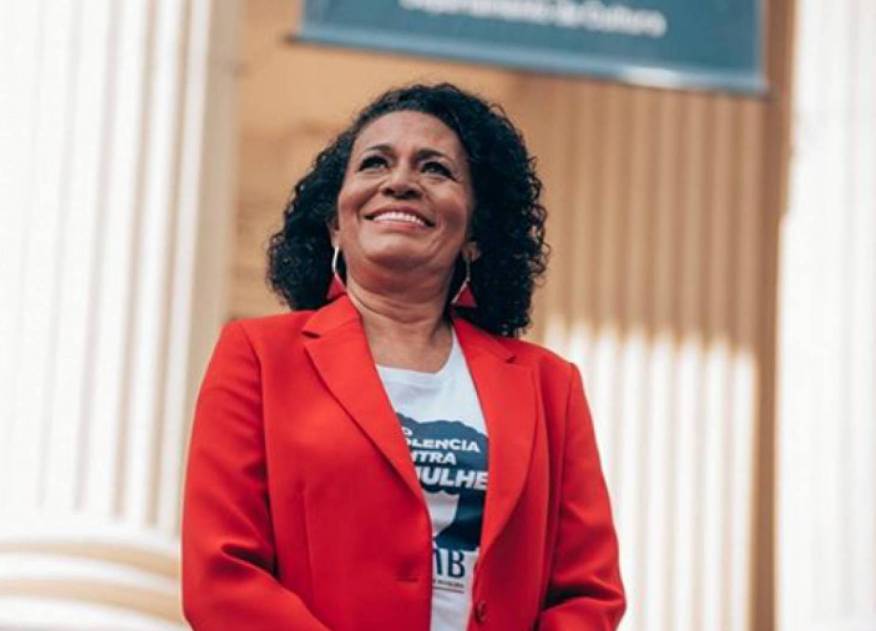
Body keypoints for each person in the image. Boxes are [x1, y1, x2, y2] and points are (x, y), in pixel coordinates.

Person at [182, 83, 625, 631]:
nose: (400, 182)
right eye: (374, 163)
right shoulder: (258, 356)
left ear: (476, 233)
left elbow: (587, 593)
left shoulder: (549, 385)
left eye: (436, 169)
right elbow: (222, 575)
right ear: (335, 222)